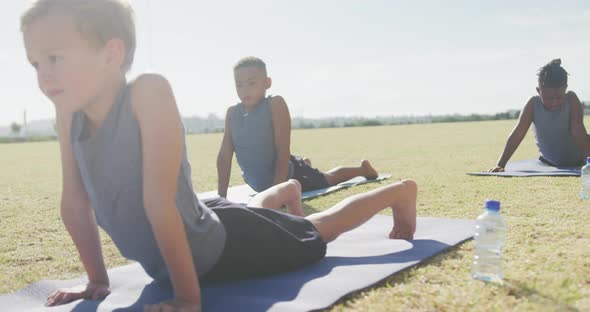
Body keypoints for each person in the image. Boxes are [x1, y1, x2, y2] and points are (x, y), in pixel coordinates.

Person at [21, 1, 417, 311]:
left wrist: (188, 297)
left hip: (220, 245)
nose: (44, 75)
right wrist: (96, 280)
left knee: (318, 229)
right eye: (35, 63)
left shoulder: (148, 92)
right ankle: (285, 191)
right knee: (246, 212)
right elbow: (74, 203)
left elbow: (159, 202)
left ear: (111, 53)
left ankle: (398, 193)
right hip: (201, 217)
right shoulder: (69, 113)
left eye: (54, 58)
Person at [217, 56, 379, 197]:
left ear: (267, 83)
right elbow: (224, 156)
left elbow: (282, 149)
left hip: (290, 174)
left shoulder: (275, 104)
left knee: (327, 179)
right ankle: (304, 163)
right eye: (239, 85)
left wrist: (277, 191)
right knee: (303, 166)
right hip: (260, 183)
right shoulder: (232, 113)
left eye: (251, 83)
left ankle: (363, 170)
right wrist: (221, 196)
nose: (245, 90)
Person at [490, 59, 590, 172]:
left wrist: (589, 163)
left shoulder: (571, 99)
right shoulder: (533, 104)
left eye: (559, 97)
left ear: (565, 89)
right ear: (539, 90)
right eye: (548, 98)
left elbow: (578, 132)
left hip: (581, 157)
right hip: (550, 162)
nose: (554, 102)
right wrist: (501, 164)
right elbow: (517, 134)